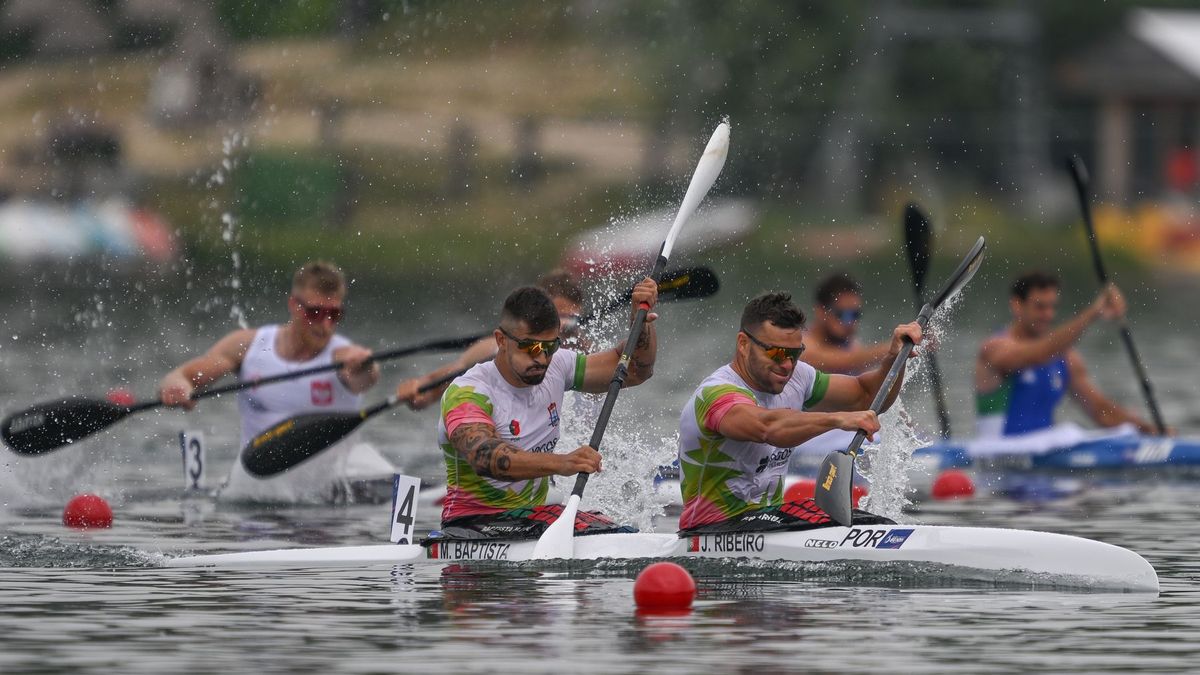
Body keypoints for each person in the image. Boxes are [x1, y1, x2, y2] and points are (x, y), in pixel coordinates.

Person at [677, 291, 922, 533]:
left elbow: (866, 396)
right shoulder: (717, 394)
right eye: (776, 353)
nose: (787, 365)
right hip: (711, 530)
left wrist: (893, 358)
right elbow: (768, 427)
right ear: (743, 344)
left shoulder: (799, 377)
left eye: (795, 354)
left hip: (767, 522)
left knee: (870, 522)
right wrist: (838, 419)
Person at [428, 282, 657, 538]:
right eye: (531, 347)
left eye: (550, 347)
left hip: (535, 515)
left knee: (613, 529)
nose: (542, 359)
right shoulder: (470, 392)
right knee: (609, 536)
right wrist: (562, 462)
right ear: (501, 340)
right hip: (475, 522)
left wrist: (641, 321)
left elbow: (635, 371)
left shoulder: (557, 367)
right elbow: (485, 458)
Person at [158, 261, 389, 502]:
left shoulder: (344, 357)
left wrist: (366, 365)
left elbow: (366, 377)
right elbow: (181, 376)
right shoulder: (248, 346)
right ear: (293, 305)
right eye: (316, 313)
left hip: (330, 497)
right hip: (259, 490)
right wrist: (178, 387)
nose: (326, 325)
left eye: (335, 314)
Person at [974, 271, 1159, 438]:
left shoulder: (1067, 357)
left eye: (1052, 307)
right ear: (1016, 305)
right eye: (1040, 307)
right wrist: (1092, 313)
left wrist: (1147, 430)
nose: (1048, 315)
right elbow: (1037, 355)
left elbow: (1101, 411)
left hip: (1045, 459)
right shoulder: (994, 349)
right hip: (998, 460)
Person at [396, 269, 590, 411]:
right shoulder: (497, 348)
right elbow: (441, 381)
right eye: (557, 317)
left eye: (571, 318)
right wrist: (417, 394)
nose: (562, 327)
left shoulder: (588, 351)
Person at [796, 272, 894, 455]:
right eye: (842, 314)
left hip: (841, 437)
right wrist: (895, 349)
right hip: (806, 444)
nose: (850, 322)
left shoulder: (853, 346)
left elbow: (870, 392)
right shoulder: (800, 345)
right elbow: (842, 363)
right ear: (821, 311)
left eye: (855, 314)